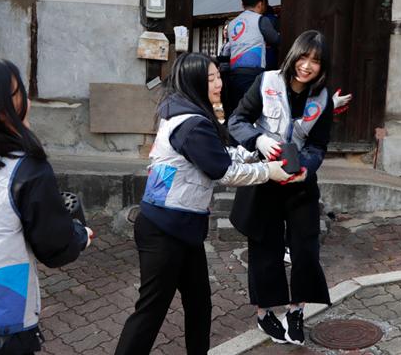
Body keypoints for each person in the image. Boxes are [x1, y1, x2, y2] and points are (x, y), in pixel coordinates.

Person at [114, 52, 291, 355]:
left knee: (199, 303)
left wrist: (253, 154)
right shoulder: (190, 123)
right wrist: (267, 171)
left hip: (184, 229)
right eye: (210, 78)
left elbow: (219, 152)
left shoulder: (189, 113)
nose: (219, 83)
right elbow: (222, 170)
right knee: (151, 312)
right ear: (194, 81)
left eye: (218, 76)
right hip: (163, 231)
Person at [0, 56, 94, 355]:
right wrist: (80, 235)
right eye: (19, 94)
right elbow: (54, 247)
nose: (27, 102)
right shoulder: (26, 169)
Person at [228, 30, 335, 346]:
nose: (306, 66)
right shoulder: (266, 82)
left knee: (305, 250)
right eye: (303, 57)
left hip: (300, 183)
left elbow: (318, 146)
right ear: (293, 56)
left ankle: (296, 310)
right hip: (265, 178)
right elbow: (236, 121)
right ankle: (264, 315)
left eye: (315, 61)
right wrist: (258, 139)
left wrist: (307, 168)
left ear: (322, 66)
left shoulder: (323, 97)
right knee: (265, 250)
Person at [225, 0, 280, 119]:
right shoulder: (261, 20)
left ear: (242, 5)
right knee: (251, 109)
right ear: (261, 4)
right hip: (252, 73)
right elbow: (275, 40)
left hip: (234, 72)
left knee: (236, 107)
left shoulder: (232, 23)